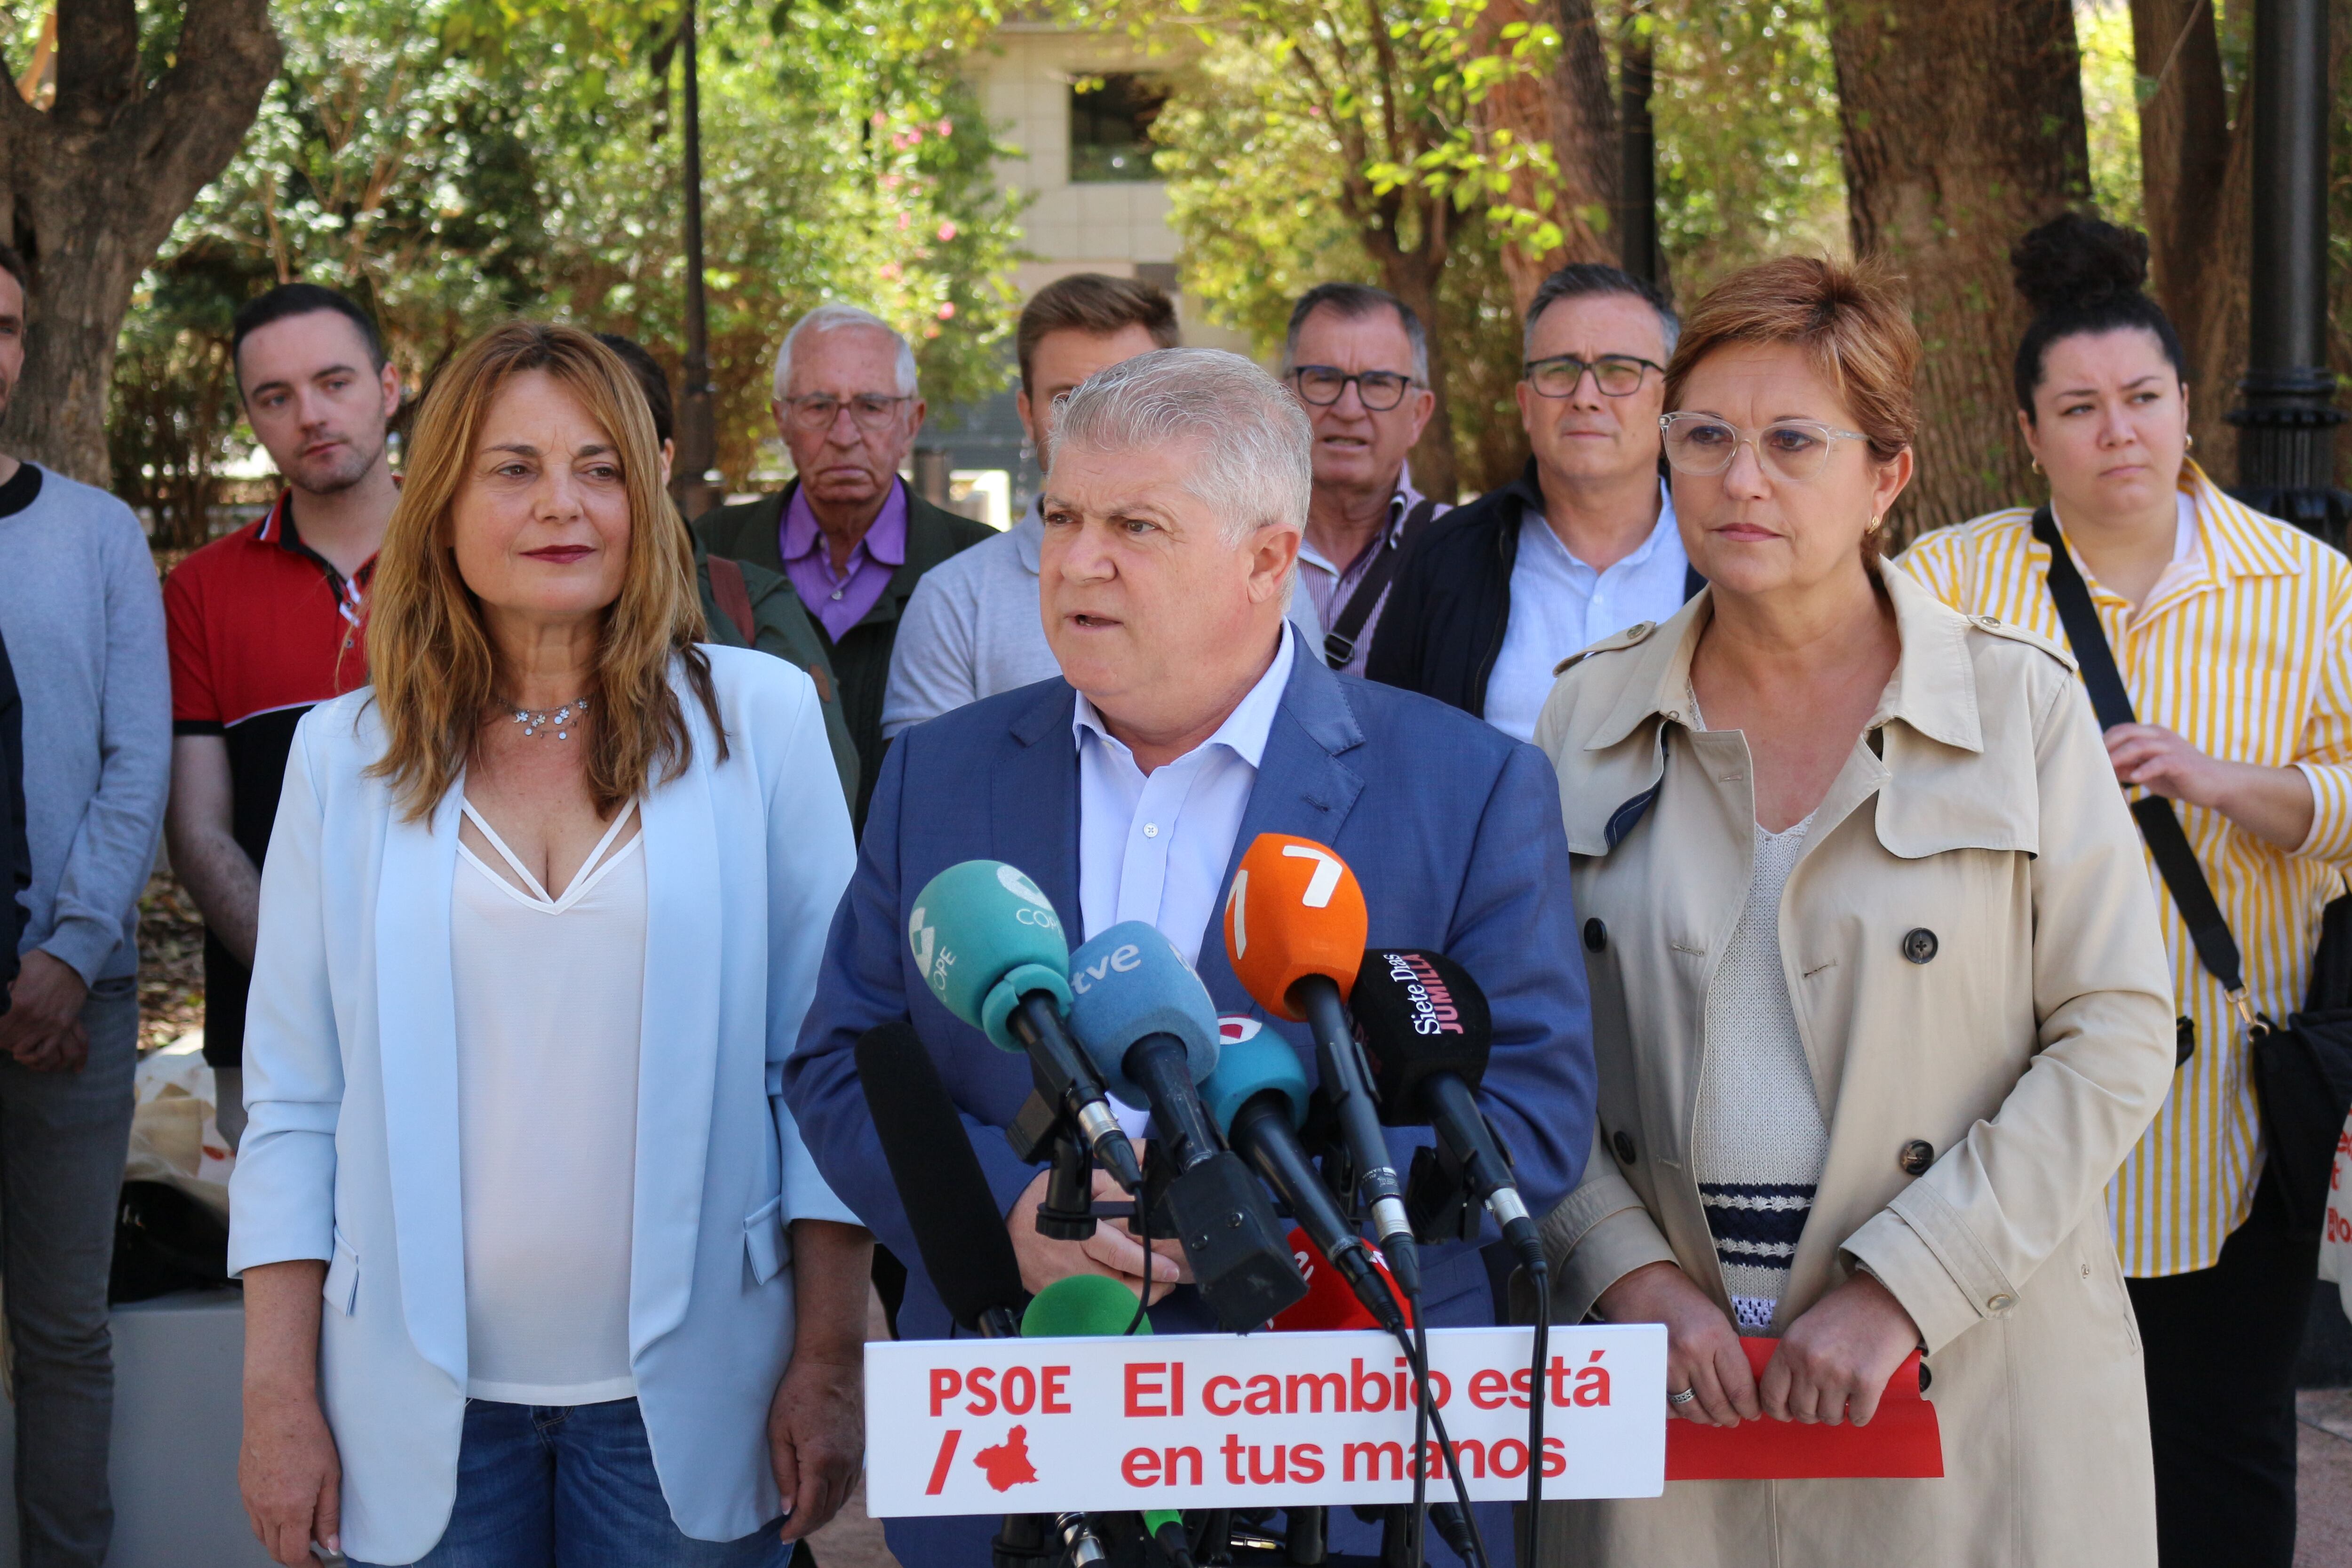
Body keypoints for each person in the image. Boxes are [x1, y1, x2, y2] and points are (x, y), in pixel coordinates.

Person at [786, 347, 1595, 1567]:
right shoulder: (940, 776)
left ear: (1268, 558)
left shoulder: (1468, 787)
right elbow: (848, 1061)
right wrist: (1005, 1213)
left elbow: (1529, 1116)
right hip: (1019, 1454)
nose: (1076, 559)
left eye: (1136, 525)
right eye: (1060, 515)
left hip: (1339, 1458)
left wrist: (1243, 1214)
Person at [1530, 255, 2176, 1565]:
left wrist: (1903, 1287)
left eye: (1790, 442)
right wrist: (1627, 1272)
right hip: (1675, 1385)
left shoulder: (2021, 708)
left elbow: (2115, 1032)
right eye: (1703, 437)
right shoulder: (1583, 715)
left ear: (1886, 474)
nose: (1739, 479)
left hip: (1970, 1379)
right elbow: (1526, 1045)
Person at [230, 324, 871, 1568]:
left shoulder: (764, 721)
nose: (561, 506)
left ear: (649, 492)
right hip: (409, 1419)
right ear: (444, 501)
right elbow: (298, 1102)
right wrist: (274, 1394)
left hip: (697, 1408)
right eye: (513, 467)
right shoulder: (341, 756)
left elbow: (827, 1075)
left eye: (601, 467)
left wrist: (829, 1360)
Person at [1900, 213, 2352, 1568]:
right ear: (2030, 431)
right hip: (2000, 1094)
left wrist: (2226, 779)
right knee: (2015, 1445)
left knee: (2224, 1443)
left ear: (2186, 408)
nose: (2119, 433)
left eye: (2143, 399)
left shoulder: (2311, 587)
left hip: (2231, 1110)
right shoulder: (1944, 584)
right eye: (2080, 408)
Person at [0, 241, 174, 1567]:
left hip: (73, 994)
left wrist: (65, 954)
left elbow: (139, 756)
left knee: (63, 1329)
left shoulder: (96, 533)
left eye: (2, 326)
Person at [165, 284, 400, 1149]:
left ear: (390, 386)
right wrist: (314, 979)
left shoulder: (476, 557)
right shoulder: (198, 590)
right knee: (284, 1278)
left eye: (335, 381)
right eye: (276, 397)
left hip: (478, 1004)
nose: (310, 414)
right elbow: (198, 831)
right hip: (273, 1023)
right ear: (251, 419)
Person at [1368, 263, 1697, 740]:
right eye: (1559, 371)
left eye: (1618, 371)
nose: (1585, 397)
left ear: (1668, 403)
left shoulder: (1723, 556)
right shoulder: (1445, 559)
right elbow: (1387, 750)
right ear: (1525, 405)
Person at [693, 305, 991, 825]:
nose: (845, 433)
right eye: (818, 406)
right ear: (781, 420)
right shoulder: (709, 555)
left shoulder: (976, 567)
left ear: (911, 422)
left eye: (872, 406)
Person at [595, 332, 859, 808]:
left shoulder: (746, 602)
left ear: (662, 461)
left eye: (605, 462)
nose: (565, 496)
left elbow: (824, 797)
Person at [1284, 282, 1446, 675]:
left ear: (1418, 416)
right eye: (1324, 378)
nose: (1349, 408)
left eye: (1378, 383)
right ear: (1284, 398)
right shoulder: (1228, 546)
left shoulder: (1461, 551)